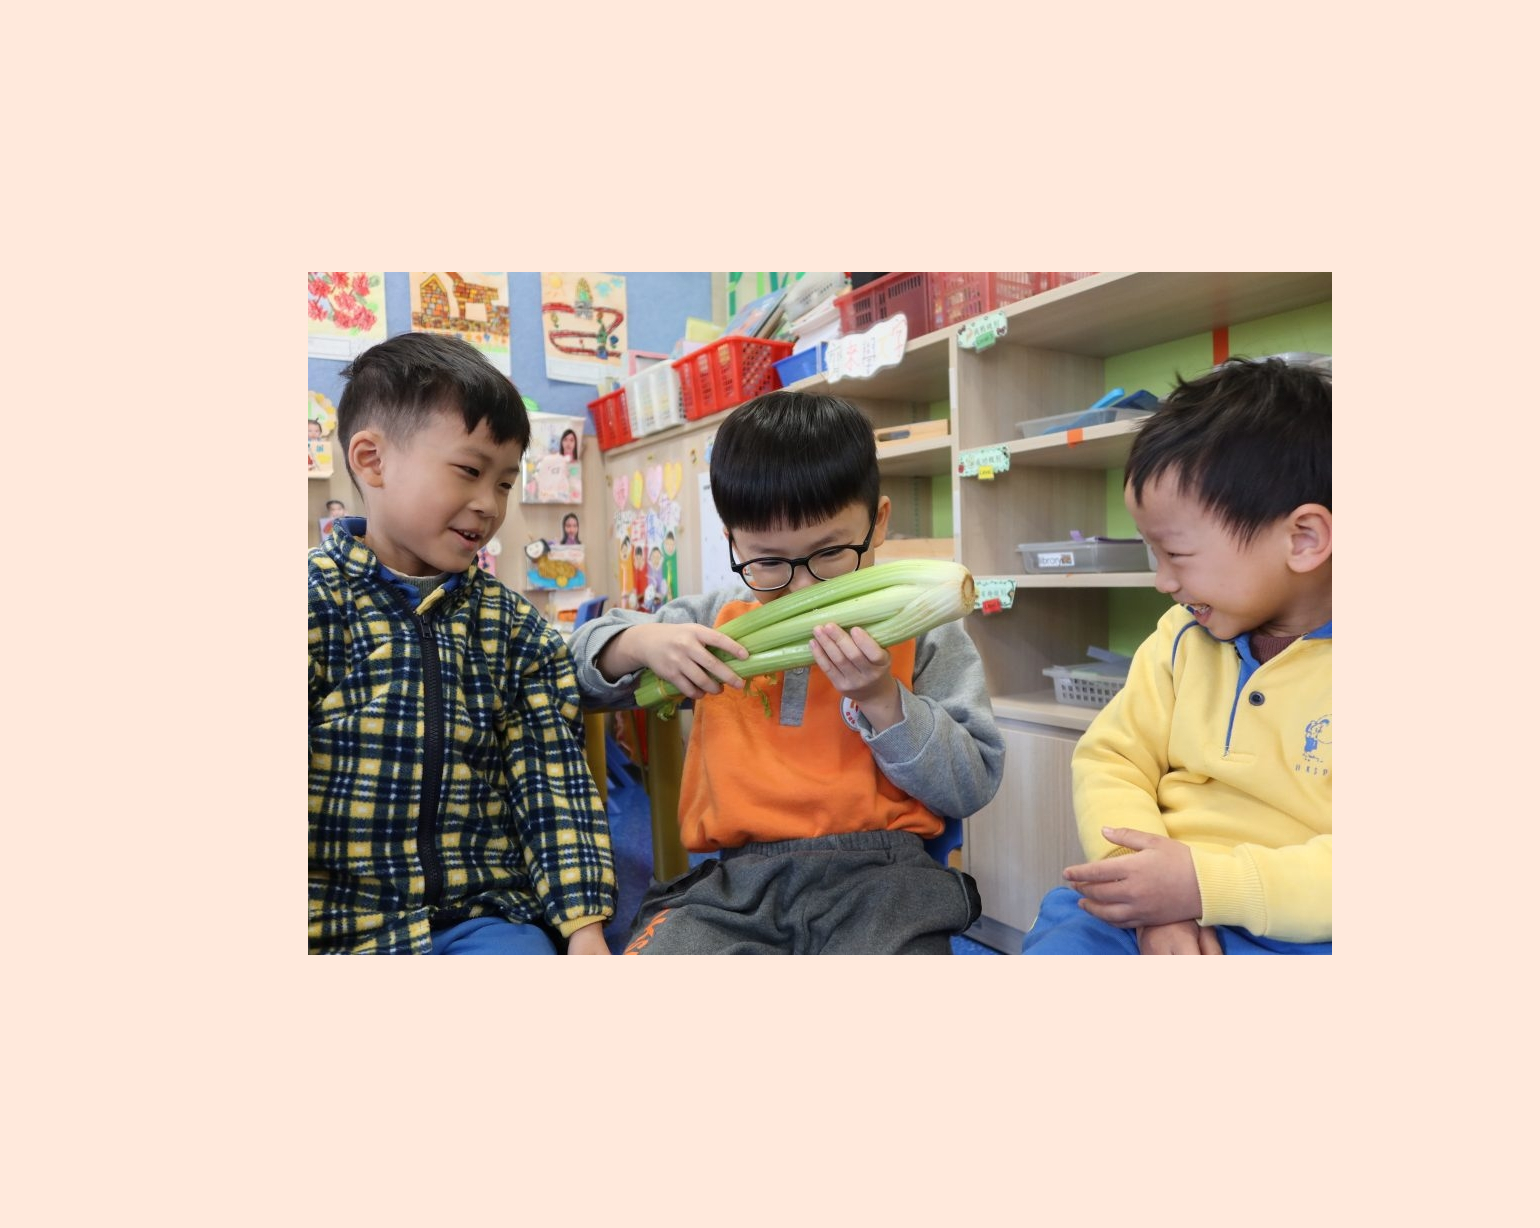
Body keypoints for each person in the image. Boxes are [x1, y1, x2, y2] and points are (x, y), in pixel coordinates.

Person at [571, 391, 1003, 954]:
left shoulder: (923, 632)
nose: (801, 588)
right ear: (733, 542)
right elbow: (569, 674)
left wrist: (883, 701)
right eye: (769, 562)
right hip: (735, 887)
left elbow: (971, 783)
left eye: (829, 554)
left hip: (883, 882)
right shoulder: (716, 620)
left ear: (878, 523)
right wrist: (638, 643)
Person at [308, 332, 615, 954]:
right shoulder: (311, 606)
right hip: (337, 923)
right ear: (372, 460)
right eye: (470, 471)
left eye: (504, 483)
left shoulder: (518, 630)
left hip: (482, 914)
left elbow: (553, 788)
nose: (488, 505)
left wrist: (585, 931)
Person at [1023, 357, 1332, 955]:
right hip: (1153, 897)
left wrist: (1202, 889)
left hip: (1296, 925)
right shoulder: (1178, 637)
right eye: (1152, 554)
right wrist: (1145, 896)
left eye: (1177, 555)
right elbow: (1112, 759)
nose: (1163, 582)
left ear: (1303, 539)